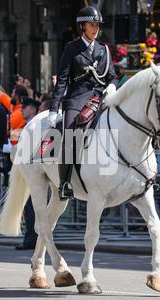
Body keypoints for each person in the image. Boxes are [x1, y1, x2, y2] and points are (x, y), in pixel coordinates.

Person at [47, 6, 119, 200]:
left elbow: (112, 77)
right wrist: (54, 108)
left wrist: (112, 86)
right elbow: (62, 80)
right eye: (92, 24)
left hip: (101, 98)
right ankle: (65, 183)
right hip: (77, 99)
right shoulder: (72, 48)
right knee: (70, 136)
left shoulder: (104, 49)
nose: (96, 28)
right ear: (82, 26)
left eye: (97, 25)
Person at [16, 97, 40, 250]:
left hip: (34, 171)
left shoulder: (36, 125)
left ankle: (32, 239)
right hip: (27, 169)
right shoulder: (27, 126)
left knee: (32, 208)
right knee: (29, 208)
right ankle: (31, 237)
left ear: (32, 110)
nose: (21, 110)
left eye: (24, 107)